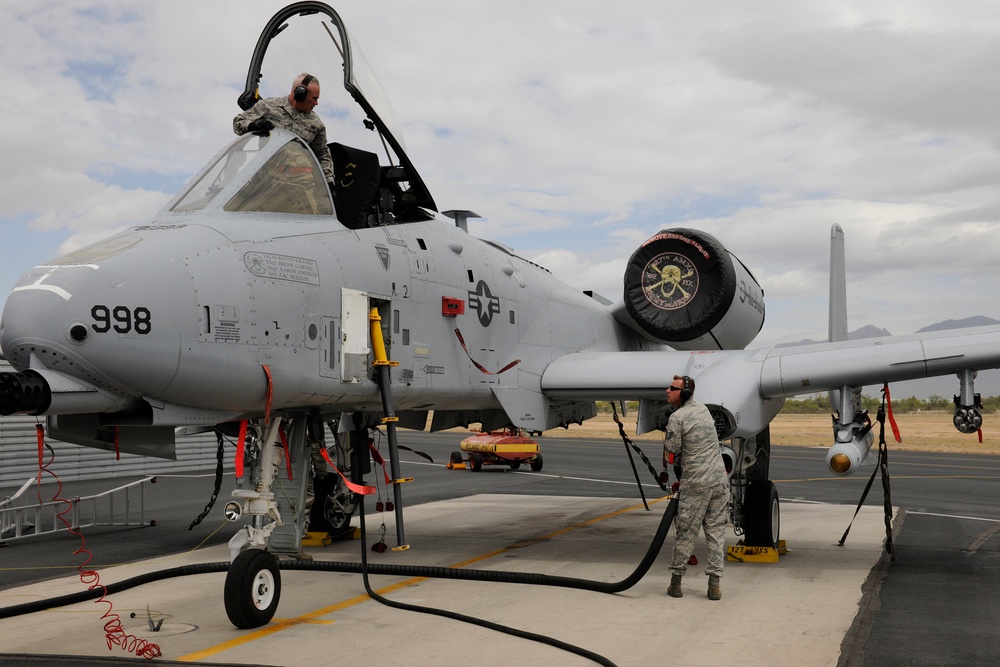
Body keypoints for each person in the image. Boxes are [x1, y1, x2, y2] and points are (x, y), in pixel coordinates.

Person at [663, 374, 729, 600]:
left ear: (684, 393)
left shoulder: (677, 417)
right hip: (720, 480)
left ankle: (676, 583)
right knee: (716, 533)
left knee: (686, 532)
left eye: (672, 388)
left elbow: (673, 451)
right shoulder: (703, 410)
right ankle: (714, 586)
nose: (667, 391)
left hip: (697, 482)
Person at [233, 73, 336, 187]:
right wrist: (252, 125)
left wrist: (328, 182)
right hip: (264, 182)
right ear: (300, 94)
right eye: (314, 98)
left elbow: (322, 155)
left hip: (298, 186)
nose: (316, 103)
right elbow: (238, 122)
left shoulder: (317, 124)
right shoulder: (268, 106)